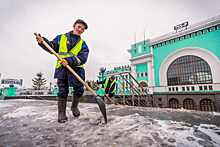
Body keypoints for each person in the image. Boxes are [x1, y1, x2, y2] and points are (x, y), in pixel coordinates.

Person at [35, 19, 89, 123]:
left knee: (79, 90)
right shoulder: (62, 38)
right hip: (62, 69)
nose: (80, 29)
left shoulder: (83, 44)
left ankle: (74, 107)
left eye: (83, 29)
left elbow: (83, 58)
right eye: (79, 27)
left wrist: (69, 61)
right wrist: (43, 42)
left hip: (77, 69)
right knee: (63, 90)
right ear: (74, 26)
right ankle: (61, 113)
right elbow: (52, 47)